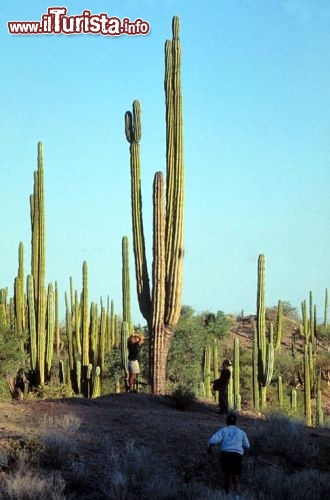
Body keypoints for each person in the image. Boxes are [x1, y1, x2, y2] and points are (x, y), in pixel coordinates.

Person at [207, 413, 250, 497]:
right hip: (237, 456)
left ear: (226, 422)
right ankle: (237, 497)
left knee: (227, 477)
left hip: (226, 455)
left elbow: (212, 441)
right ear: (235, 422)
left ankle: (227, 496)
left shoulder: (223, 430)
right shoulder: (241, 432)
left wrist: (210, 446)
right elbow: (247, 445)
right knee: (236, 478)